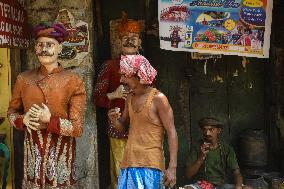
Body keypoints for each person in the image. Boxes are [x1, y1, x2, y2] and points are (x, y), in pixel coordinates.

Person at [7, 22, 86, 189]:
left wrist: (50, 120)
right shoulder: (24, 78)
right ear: (35, 49)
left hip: (61, 159)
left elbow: (77, 128)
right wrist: (23, 120)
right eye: (40, 45)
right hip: (32, 160)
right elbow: (11, 113)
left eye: (50, 45)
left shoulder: (73, 81)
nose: (44, 49)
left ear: (60, 48)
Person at [108, 54, 178, 189]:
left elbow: (171, 132)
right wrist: (114, 120)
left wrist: (172, 168)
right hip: (128, 163)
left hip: (151, 165)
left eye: (124, 75)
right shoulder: (129, 98)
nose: (121, 79)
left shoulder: (158, 99)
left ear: (138, 76)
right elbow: (123, 127)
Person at [93, 12, 143, 189]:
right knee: (120, 173)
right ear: (119, 41)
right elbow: (96, 97)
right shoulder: (110, 66)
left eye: (134, 38)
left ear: (140, 42)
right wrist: (113, 95)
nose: (130, 41)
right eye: (125, 38)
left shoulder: (146, 67)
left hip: (142, 130)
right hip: (118, 129)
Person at [184, 117, 243, 189]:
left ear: (218, 130)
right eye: (204, 130)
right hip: (202, 185)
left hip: (221, 185)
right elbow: (188, 175)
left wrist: (239, 186)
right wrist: (201, 158)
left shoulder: (226, 148)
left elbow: (236, 172)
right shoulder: (197, 147)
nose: (207, 133)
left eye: (211, 129)